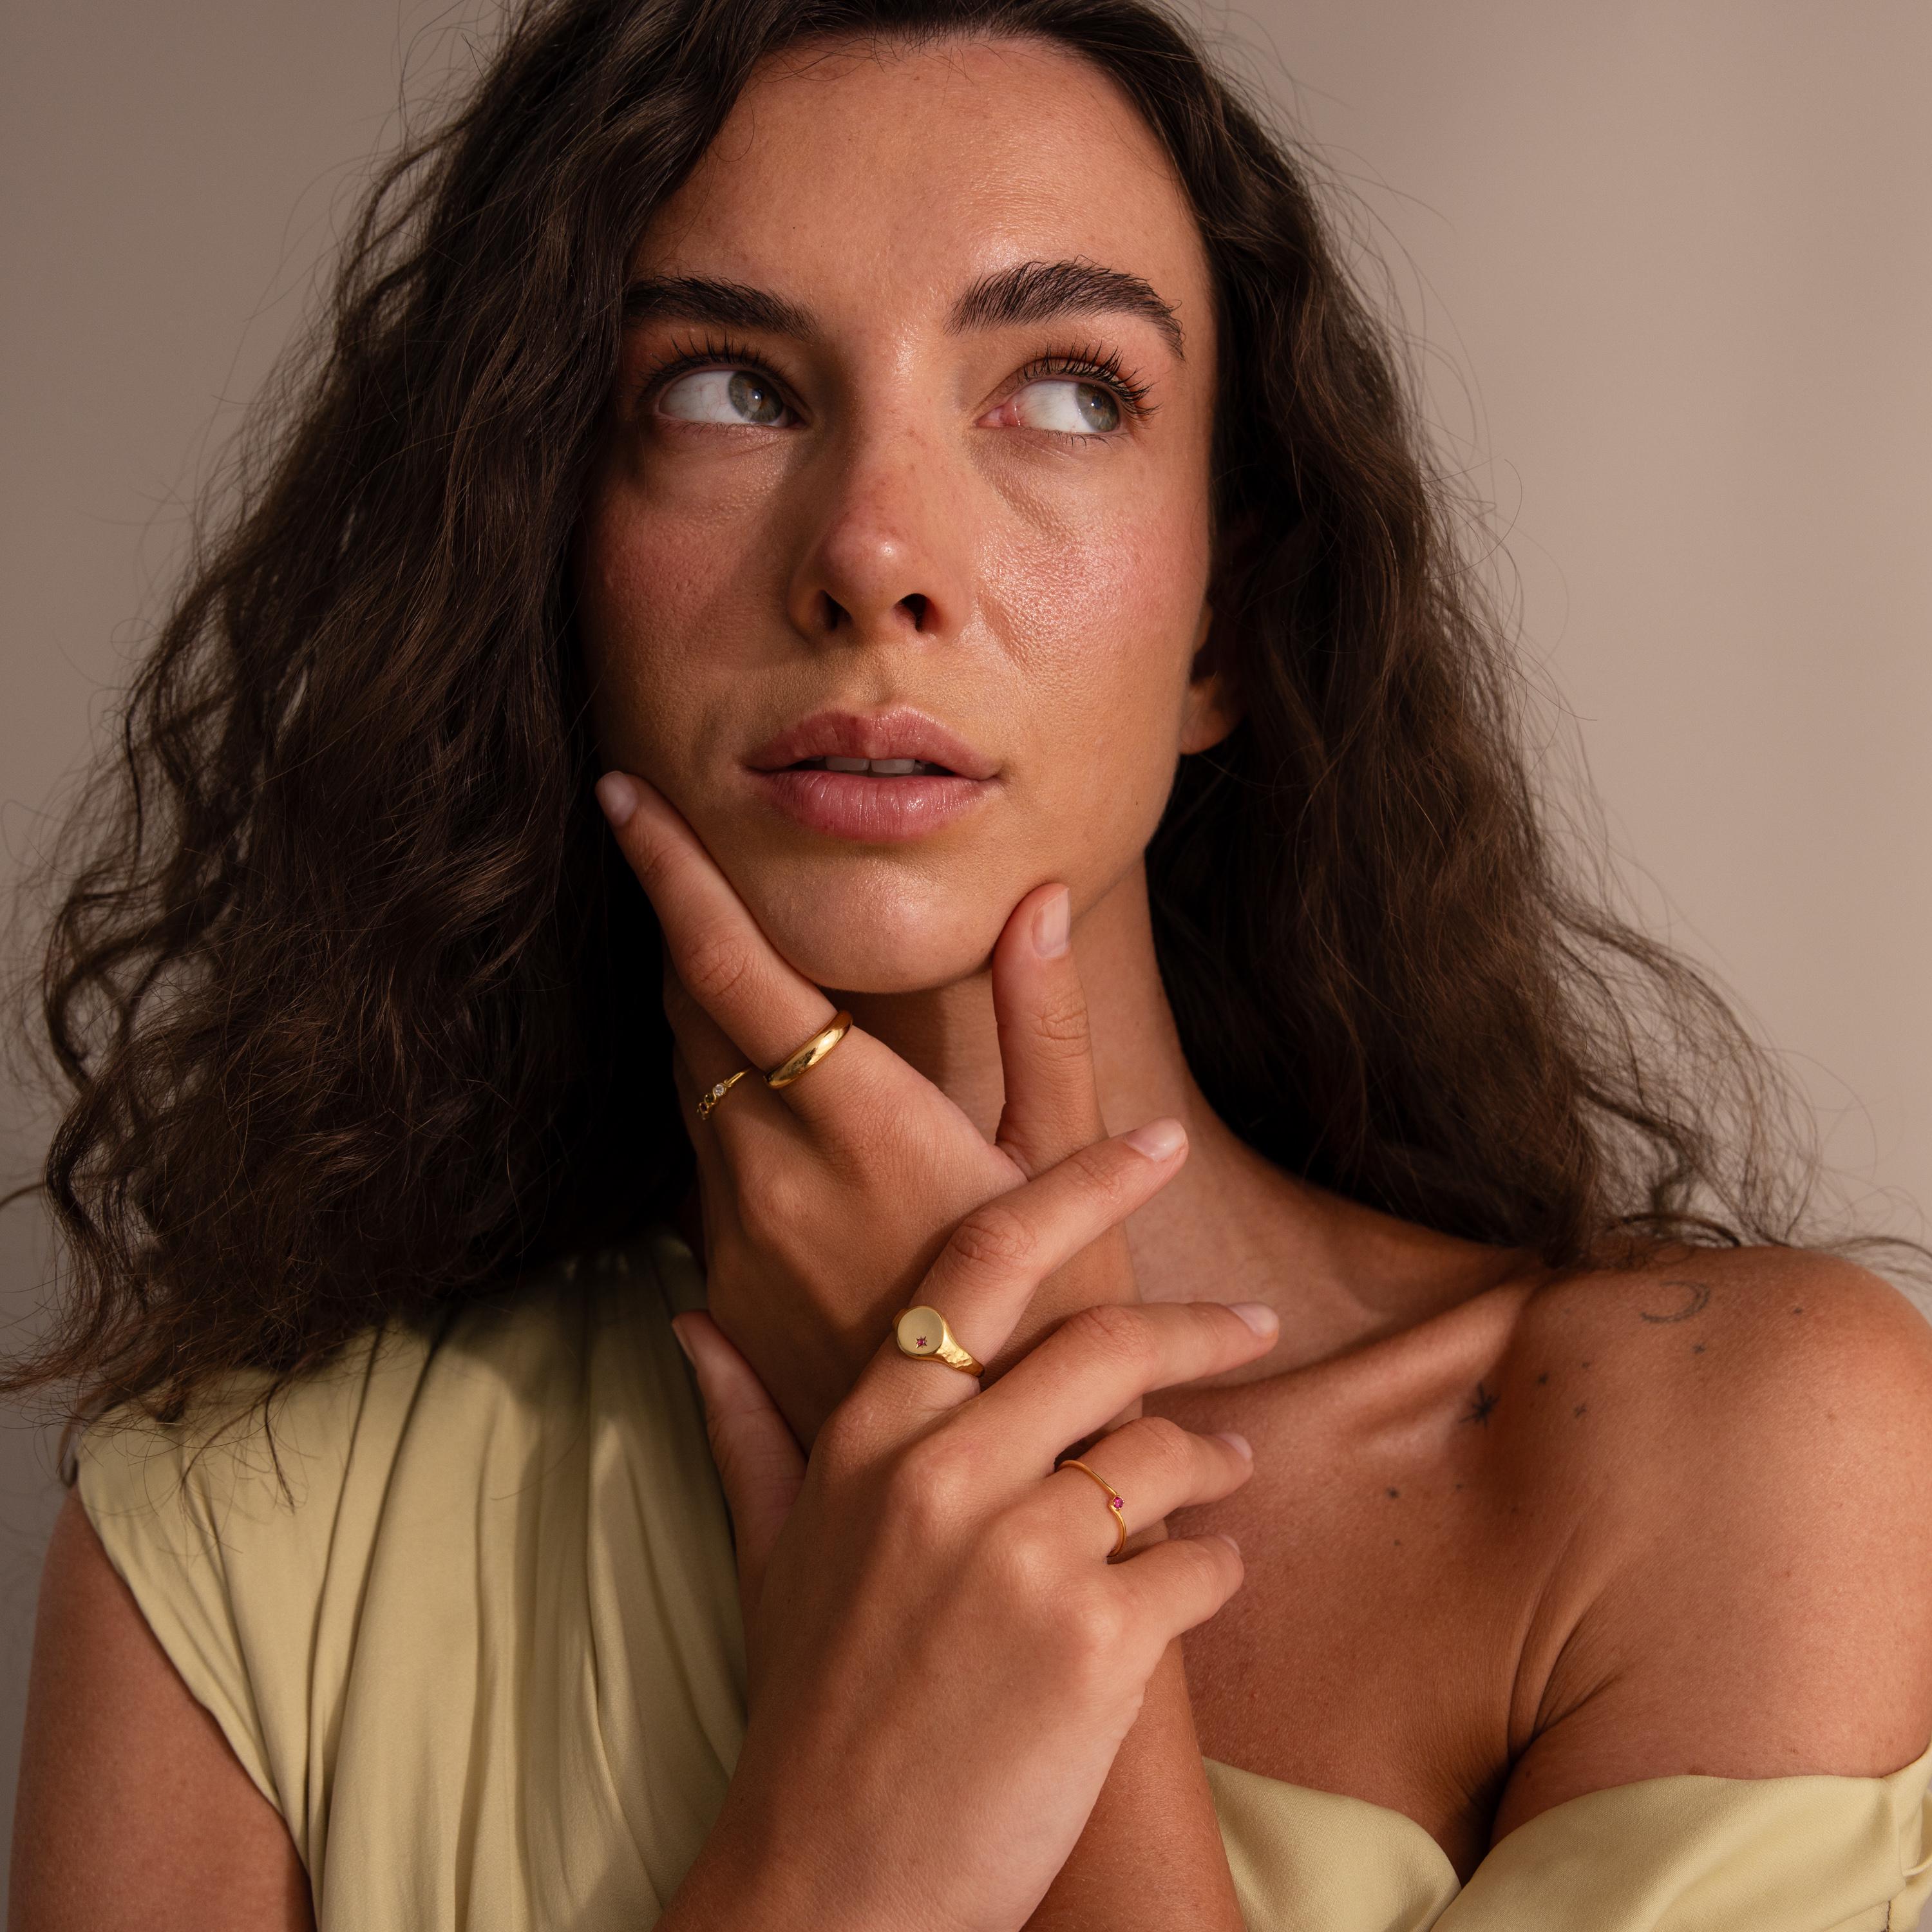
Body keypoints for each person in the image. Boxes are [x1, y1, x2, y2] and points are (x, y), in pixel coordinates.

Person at [8, 1, 1932, 1926]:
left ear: (1222, 624)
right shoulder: (252, 1540)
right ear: (546, 551)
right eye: (724, 388)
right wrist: (843, 1852)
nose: (875, 553)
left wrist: (999, 1470)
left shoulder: (1739, 1454)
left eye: (1071, 390)